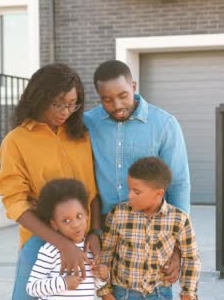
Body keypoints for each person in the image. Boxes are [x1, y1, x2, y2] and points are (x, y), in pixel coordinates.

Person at [0, 63, 103, 300]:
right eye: (58, 103)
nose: (65, 111)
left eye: (72, 104)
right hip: (40, 239)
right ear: (39, 97)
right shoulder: (16, 141)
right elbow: (15, 202)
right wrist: (61, 245)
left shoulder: (81, 135)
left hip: (82, 238)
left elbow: (92, 191)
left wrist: (95, 232)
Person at [83, 60, 190, 282]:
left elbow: (178, 184)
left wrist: (178, 246)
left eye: (123, 95)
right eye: (107, 99)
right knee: (108, 292)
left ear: (134, 85)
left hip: (154, 230)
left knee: (155, 292)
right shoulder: (88, 123)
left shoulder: (164, 124)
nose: (117, 105)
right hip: (104, 230)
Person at [97, 157, 200, 300]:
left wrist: (188, 293)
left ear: (158, 194)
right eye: (129, 189)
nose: (129, 196)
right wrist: (105, 293)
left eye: (137, 192)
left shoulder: (179, 219)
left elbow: (191, 258)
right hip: (123, 293)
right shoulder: (119, 214)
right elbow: (105, 253)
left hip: (160, 294)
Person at [26, 179, 109, 299]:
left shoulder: (89, 248)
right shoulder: (50, 251)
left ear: (87, 215)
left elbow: (91, 286)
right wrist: (63, 283)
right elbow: (32, 288)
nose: (75, 224)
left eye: (79, 216)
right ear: (54, 224)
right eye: (66, 220)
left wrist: (103, 277)